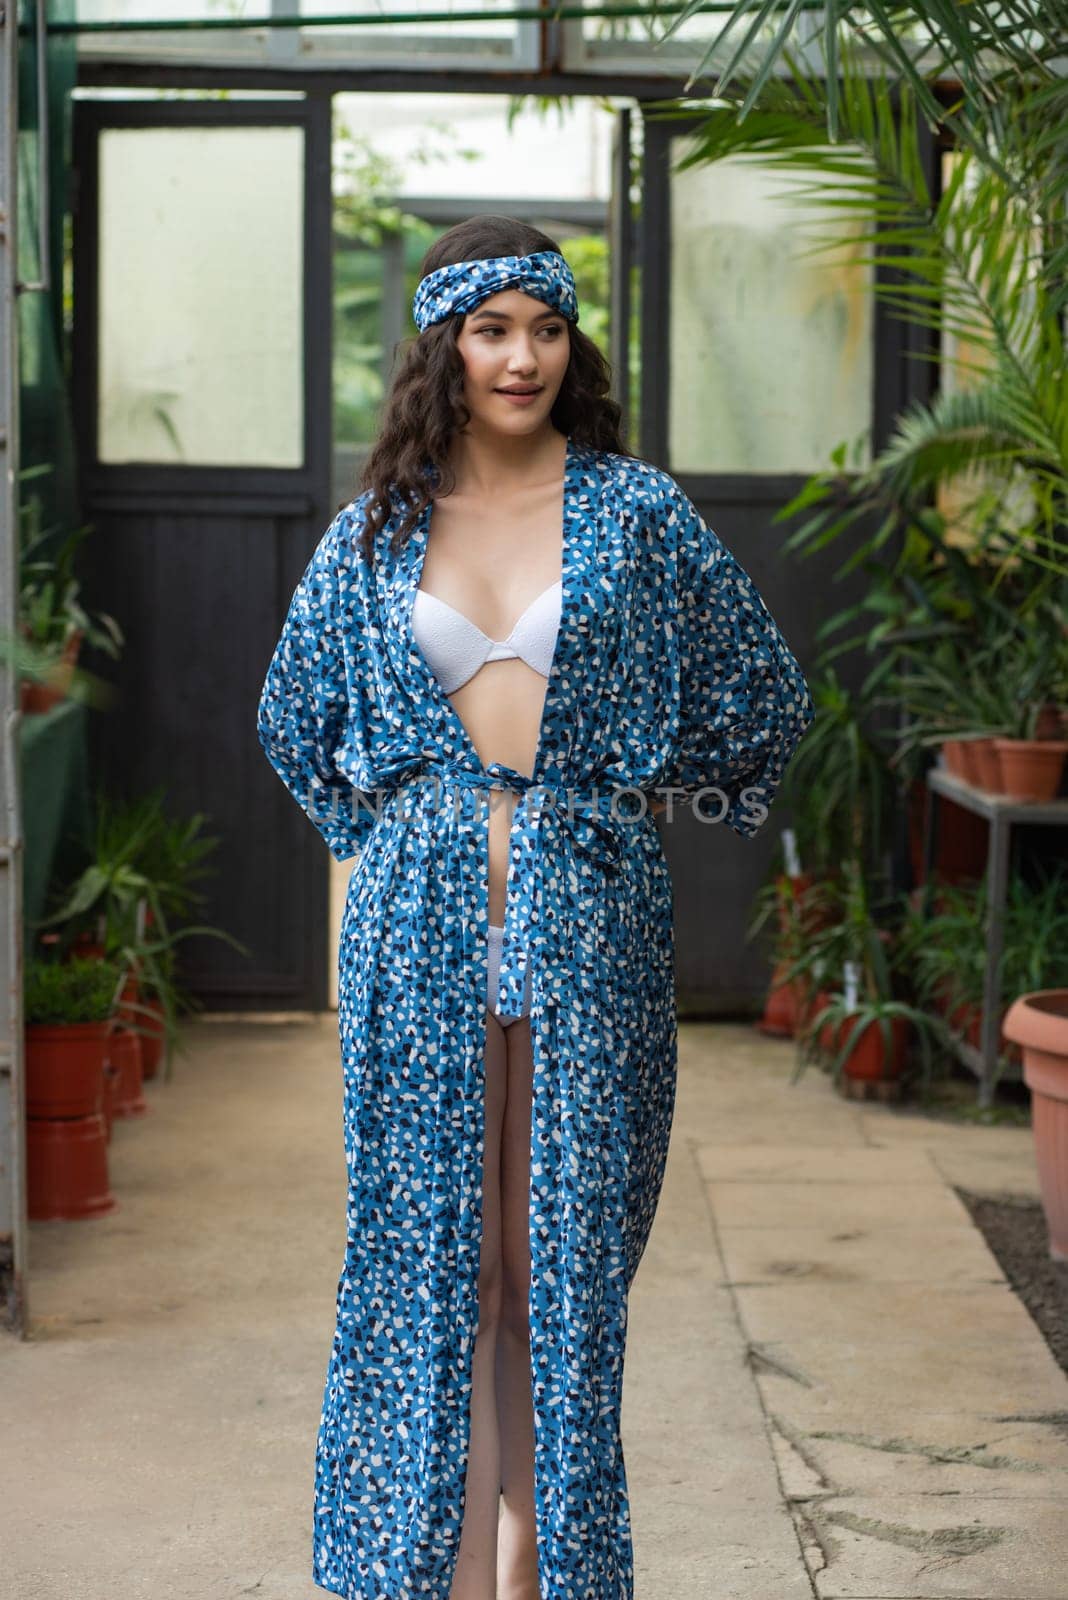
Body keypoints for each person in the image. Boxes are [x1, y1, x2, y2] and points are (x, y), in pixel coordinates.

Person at [257, 213, 814, 1600]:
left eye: (549, 327)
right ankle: (429, 1565)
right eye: (494, 327)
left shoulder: (637, 512)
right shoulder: (377, 525)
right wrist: (396, 834)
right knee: (434, 1257)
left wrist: (628, 797)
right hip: (417, 934)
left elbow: (762, 695)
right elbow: (290, 717)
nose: (524, 357)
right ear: (445, 340)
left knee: (557, 1262)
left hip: (593, 927)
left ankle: (535, 1563)